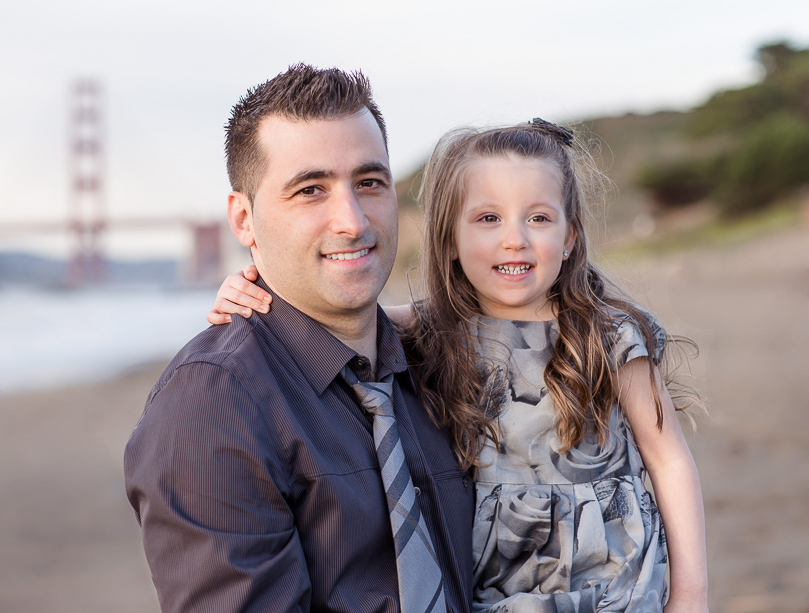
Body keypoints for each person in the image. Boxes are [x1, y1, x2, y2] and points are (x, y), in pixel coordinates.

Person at [209, 120, 709, 612]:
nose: (515, 239)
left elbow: (669, 460)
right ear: (449, 240)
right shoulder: (436, 331)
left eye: (538, 218)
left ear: (571, 237)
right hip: (502, 587)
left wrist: (691, 594)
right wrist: (254, 291)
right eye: (488, 219)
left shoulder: (607, 336)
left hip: (617, 580)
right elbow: (331, 316)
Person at [124, 64, 475, 613]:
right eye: (310, 190)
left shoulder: (441, 361)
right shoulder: (213, 406)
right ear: (244, 220)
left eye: (369, 183)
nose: (352, 221)